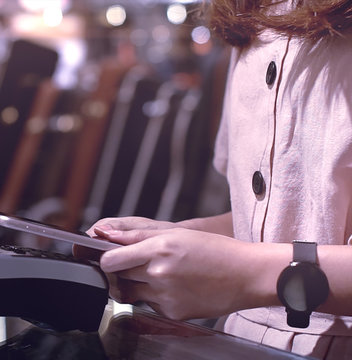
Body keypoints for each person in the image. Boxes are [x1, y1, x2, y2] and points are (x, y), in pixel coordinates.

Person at [83, 0, 352, 358]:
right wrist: (173, 240)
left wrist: (244, 273)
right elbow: (278, 220)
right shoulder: (252, 24)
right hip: (236, 340)